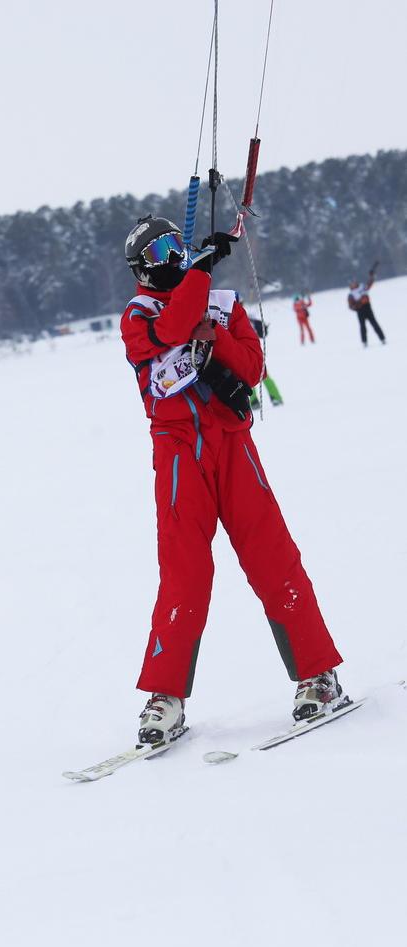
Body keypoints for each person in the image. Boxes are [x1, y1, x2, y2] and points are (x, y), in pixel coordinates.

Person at [120, 215, 344, 746]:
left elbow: (251, 364)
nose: (172, 258)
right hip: (179, 455)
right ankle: (166, 697)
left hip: (234, 448)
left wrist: (215, 333)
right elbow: (172, 330)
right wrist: (195, 276)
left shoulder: (221, 302)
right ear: (141, 269)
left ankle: (318, 675)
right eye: (160, 253)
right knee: (184, 574)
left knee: (274, 558)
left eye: (177, 246)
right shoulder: (138, 315)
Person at [247, 316, 283, 408]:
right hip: (251, 352)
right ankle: (256, 400)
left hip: (252, 352)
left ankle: (273, 398)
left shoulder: (246, 318)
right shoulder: (249, 318)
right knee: (251, 377)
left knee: (255, 376)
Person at [348, 271, 387, 346]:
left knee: (374, 324)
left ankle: (382, 339)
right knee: (363, 326)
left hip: (368, 308)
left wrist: (372, 277)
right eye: (351, 283)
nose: (353, 284)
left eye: (354, 282)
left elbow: (369, 284)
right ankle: (364, 342)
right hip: (360, 311)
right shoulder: (351, 294)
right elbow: (350, 306)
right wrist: (357, 306)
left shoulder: (362, 287)